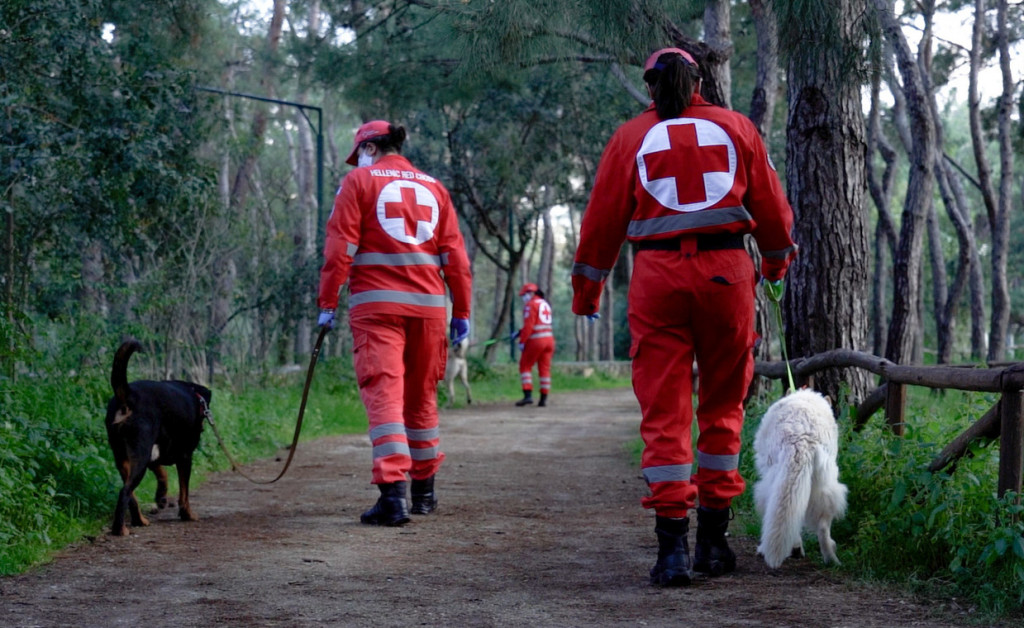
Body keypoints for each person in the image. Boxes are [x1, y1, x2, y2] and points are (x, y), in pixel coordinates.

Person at [571, 48, 797, 586]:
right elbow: (771, 208)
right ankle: (713, 544)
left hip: (657, 279)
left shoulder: (630, 138)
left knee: (664, 411)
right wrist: (774, 264)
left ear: (648, 85)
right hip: (726, 276)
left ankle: (670, 550)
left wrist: (587, 293)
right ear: (699, 79)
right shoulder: (737, 127)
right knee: (722, 404)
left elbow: (601, 219)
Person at [318, 120, 472, 527]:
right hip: (429, 310)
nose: (359, 160)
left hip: (377, 307)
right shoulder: (435, 187)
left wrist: (327, 302)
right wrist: (463, 313)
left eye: (360, 153)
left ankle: (392, 498)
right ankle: (423, 494)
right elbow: (455, 257)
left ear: (369, 147)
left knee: (384, 396)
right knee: (421, 398)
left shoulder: (357, 182)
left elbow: (340, 248)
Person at [513, 283, 555, 407]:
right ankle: (543, 399)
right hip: (549, 340)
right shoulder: (545, 303)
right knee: (545, 369)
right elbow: (538, 323)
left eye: (524, 295)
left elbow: (529, 326)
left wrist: (522, 341)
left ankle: (527, 396)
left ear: (531, 293)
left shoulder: (530, 305)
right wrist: (519, 333)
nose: (523, 298)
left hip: (536, 340)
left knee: (525, 366)